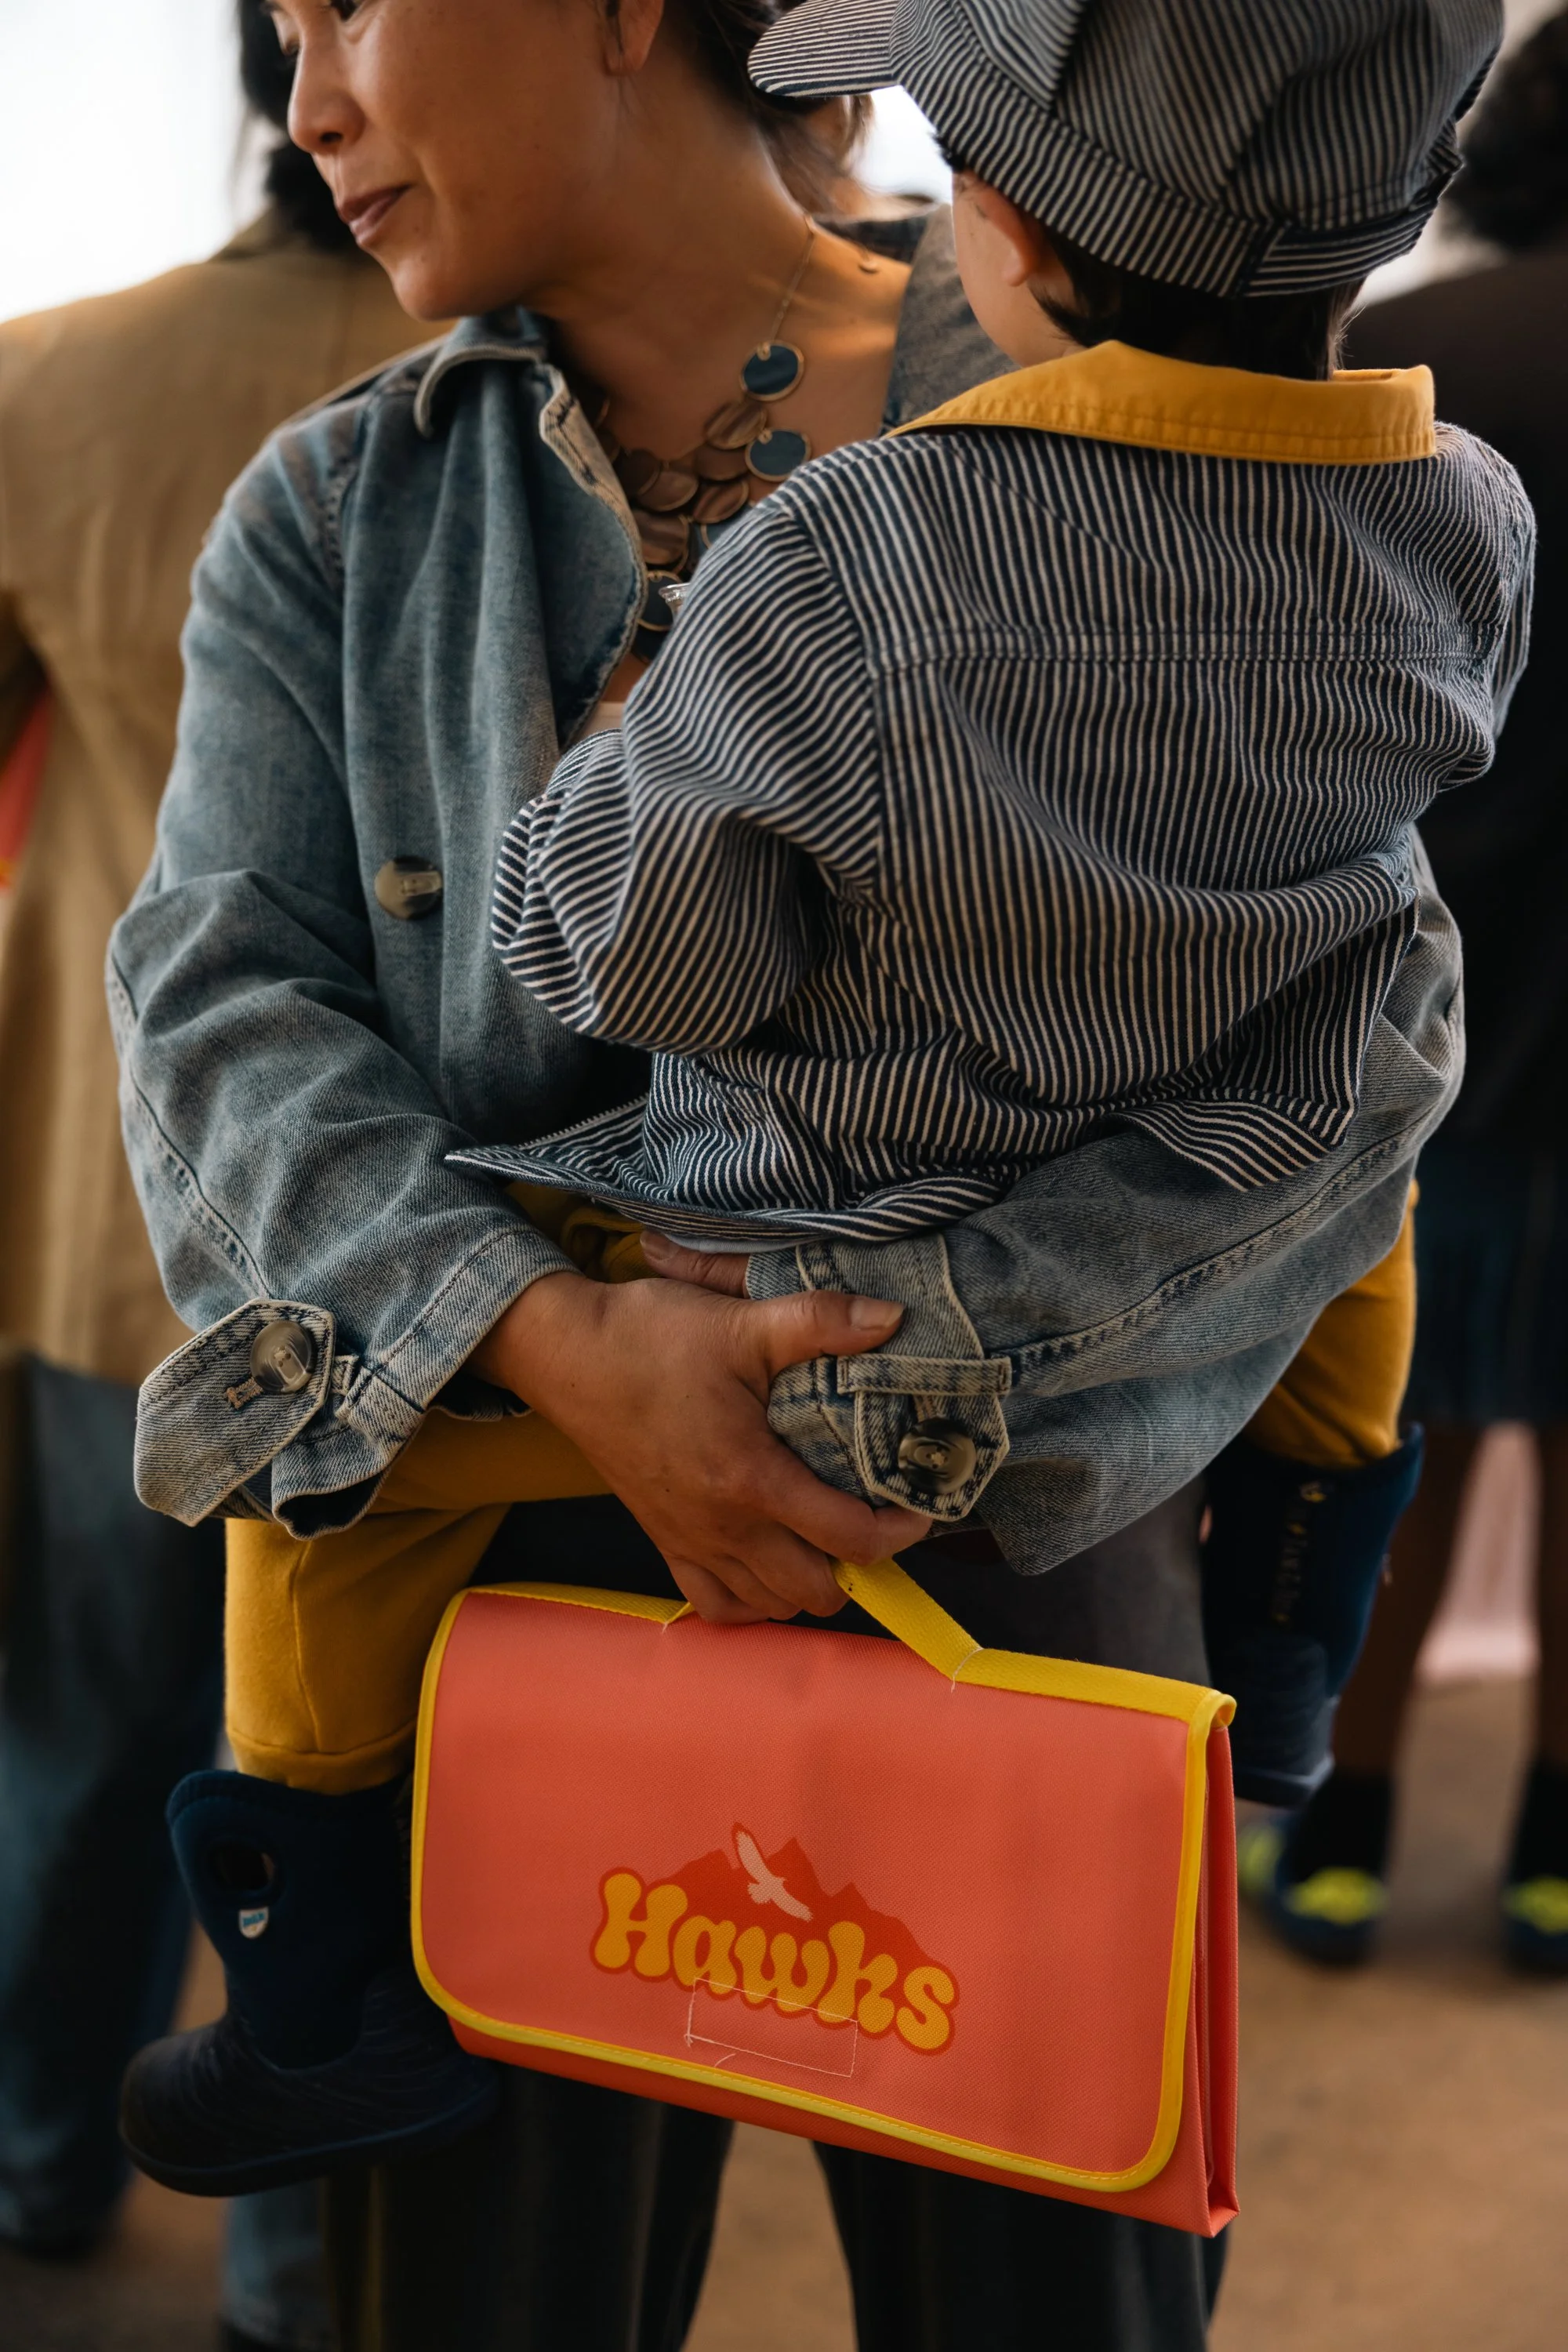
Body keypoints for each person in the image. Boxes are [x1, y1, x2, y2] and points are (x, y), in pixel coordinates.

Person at [106, 0, 1488, 2340]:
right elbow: (219, 1013)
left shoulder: (1115, 397)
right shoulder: (340, 511)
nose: (311, 93)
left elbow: (1349, 1014)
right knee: (488, 2294)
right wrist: (563, 1340)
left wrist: (929, 1358)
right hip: (481, 1547)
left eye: (351, 3)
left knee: (1051, 2271)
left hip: (1017, 1519)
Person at [0, 0, 426, 2328]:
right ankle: (302, 2259)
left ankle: (35, 2160)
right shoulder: (553, 391)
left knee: (80, 1736)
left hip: (113, 1205)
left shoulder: (48, 381)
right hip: (447, 1265)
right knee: (370, 1793)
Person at [1242, 5, 1568, 1979]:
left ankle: (1344, 1826)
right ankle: (1551, 1858)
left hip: (1420, 970)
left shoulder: (1403, 359)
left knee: (1393, 1411)